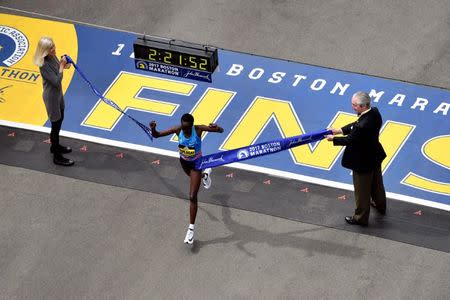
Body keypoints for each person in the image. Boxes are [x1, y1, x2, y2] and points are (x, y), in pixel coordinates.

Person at [150, 113, 224, 244]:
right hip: (184, 162)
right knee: (195, 182)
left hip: (196, 164)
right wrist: (153, 128)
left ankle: (191, 230)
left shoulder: (199, 129)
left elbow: (220, 131)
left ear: (191, 126)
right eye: (183, 128)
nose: (184, 130)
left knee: (192, 196)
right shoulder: (178, 130)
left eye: (187, 128)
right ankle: (205, 175)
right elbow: (156, 135)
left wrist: (216, 127)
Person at [326, 91, 387, 226]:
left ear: (362, 106)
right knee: (377, 184)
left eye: (354, 105)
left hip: (362, 162)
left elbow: (351, 139)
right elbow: (356, 124)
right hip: (374, 156)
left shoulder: (362, 126)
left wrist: (333, 139)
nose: (352, 107)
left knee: (362, 191)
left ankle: (360, 217)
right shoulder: (374, 113)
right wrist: (340, 130)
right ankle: (380, 204)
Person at [33, 37, 74, 166]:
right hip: (51, 97)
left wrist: (65, 64)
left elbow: (59, 70)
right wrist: (61, 66)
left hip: (58, 95)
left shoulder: (53, 57)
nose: (54, 49)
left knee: (60, 119)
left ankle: (55, 146)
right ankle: (57, 156)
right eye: (51, 49)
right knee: (55, 126)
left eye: (54, 46)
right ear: (45, 51)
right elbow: (56, 81)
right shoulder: (43, 65)